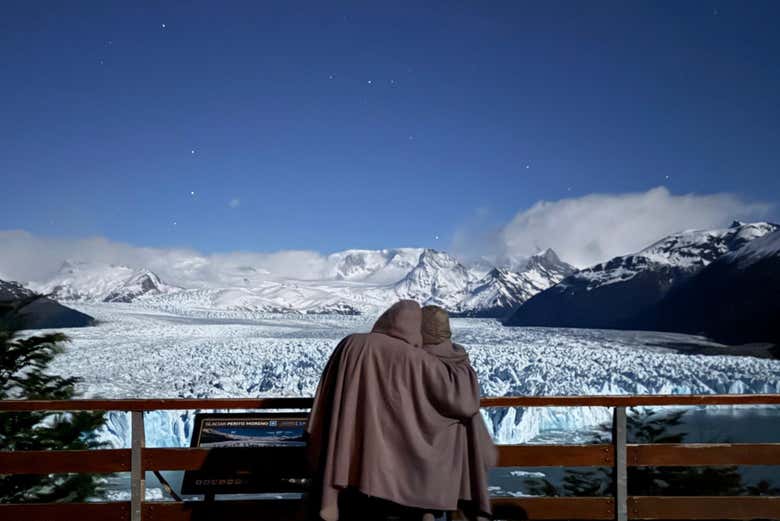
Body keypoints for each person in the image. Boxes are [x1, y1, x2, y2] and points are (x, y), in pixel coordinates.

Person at [306, 300, 495, 521]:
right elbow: (464, 403)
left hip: (362, 471)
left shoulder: (354, 345)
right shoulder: (424, 363)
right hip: (413, 474)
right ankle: (427, 508)